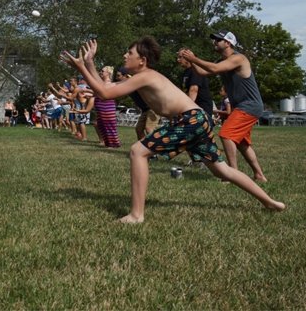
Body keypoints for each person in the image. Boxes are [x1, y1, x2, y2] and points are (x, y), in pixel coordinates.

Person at [62, 37, 285, 224]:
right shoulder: (143, 77)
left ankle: (136, 215)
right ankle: (270, 202)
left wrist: (82, 67)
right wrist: (89, 62)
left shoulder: (146, 76)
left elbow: (105, 93)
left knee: (138, 151)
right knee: (222, 170)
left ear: (142, 60)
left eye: (128, 53)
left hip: (189, 120)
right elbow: (105, 89)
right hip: (198, 120)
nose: (124, 56)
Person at [179, 30, 269, 182]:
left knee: (226, 134)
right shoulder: (221, 62)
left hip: (249, 104)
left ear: (228, 43)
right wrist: (192, 61)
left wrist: (194, 58)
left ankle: (232, 175)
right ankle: (259, 176)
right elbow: (201, 73)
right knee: (241, 143)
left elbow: (213, 69)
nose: (215, 42)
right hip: (242, 105)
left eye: (218, 40)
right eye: (214, 39)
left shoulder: (239, 58)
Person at [177, 50, 213, 167]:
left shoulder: (194, 71)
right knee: (189, 134)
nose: (178, 60)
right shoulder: (186, 73)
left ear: (187, 58)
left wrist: (186, 109)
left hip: (202, 107)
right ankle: (196, 159)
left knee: (203, 135)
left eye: (180, 57)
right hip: (193, 106)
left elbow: (194, 90)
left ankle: (208, 161)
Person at [94, 66, 121, 148]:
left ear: (108, 73)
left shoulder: (109, 83)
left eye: (102, 71)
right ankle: (108, 143)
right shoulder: (102, 83)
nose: (101, 72)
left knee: (109, 126)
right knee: (102, 126)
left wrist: (85, 90)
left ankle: (113, 144)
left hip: (107, 108)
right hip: (101, 109)